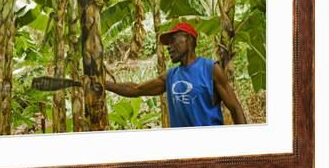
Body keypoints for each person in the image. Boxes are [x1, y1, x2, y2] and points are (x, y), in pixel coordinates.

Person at [106, 22, 247, 127]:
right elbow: (136, 89)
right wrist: (105, 84)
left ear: (189, 40)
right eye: (168, 43)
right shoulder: (171, 76)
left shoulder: (210, 69)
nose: (169, 46)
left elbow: (235, 107)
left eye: (173, 40)